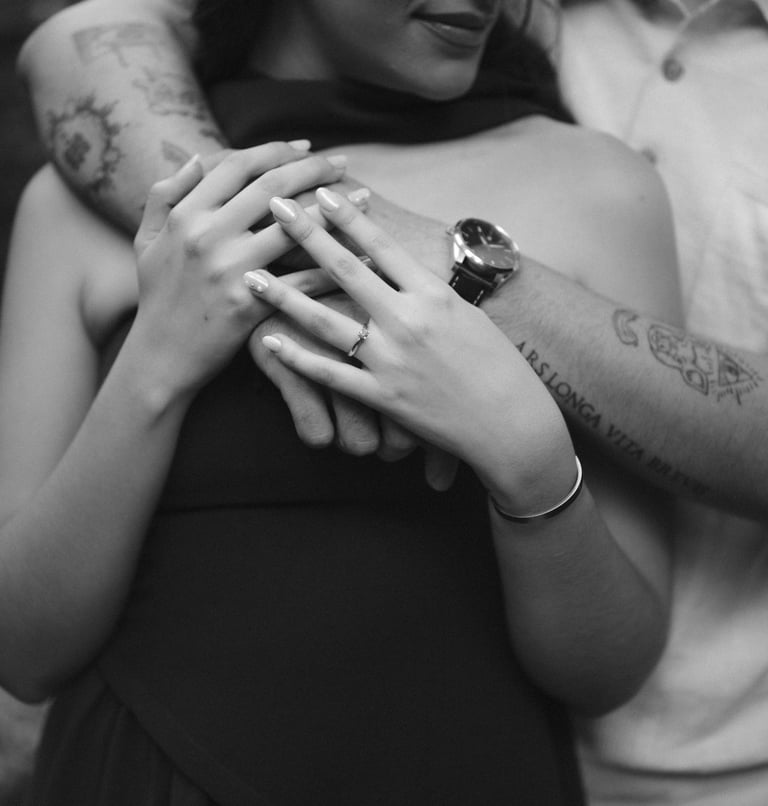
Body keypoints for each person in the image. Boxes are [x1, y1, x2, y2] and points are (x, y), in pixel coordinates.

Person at [18, 1, 768, 804]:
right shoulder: (91, 193)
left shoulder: (599, 187)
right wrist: (158, 366)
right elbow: (23, 653)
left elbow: (606, 672)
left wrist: (528, 459)